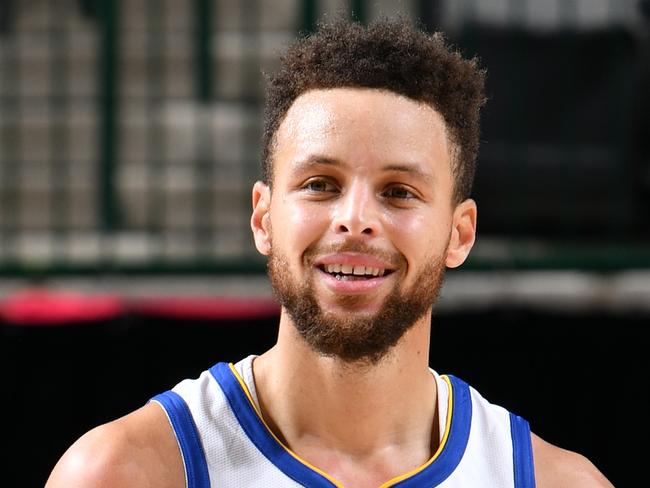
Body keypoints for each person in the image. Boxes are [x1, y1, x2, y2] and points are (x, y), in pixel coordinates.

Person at [46, 19, 613, 488]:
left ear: (459, 234)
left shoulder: (553, 480)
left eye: (399, 192)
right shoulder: (126, 473)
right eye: (320, 184)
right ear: (263, 218)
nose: (356, 218)